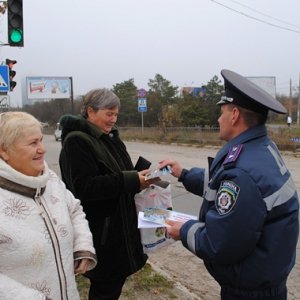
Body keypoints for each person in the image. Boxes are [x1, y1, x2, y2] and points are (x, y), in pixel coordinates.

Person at [159, 69, 299, 300]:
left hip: (249, 292)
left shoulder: (243, 171)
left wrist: (181, 230)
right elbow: (224, 187)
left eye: (221, 112)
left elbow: (218, 243)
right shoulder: (259, 148)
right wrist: (182, 173)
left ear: (234, 115)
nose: (218, 119)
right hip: (264, 280)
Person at [59, 88, 157, 300]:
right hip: (103, 232)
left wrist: (139, 179)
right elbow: (83, 188)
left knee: (112, 286)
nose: (113, 119)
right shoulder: (77, 141)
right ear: (91, 112)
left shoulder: (109, 138)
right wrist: (130, 179)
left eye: (116, 114)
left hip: (119, 228)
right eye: (109, 114)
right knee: (105, 287)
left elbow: (121, 174)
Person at [0, 111, 97, 300]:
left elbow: (74, 209)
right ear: (4, 150)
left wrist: (82, 245)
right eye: (33, 143)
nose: (42, 149)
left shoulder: (50, 179)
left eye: (41, 140)